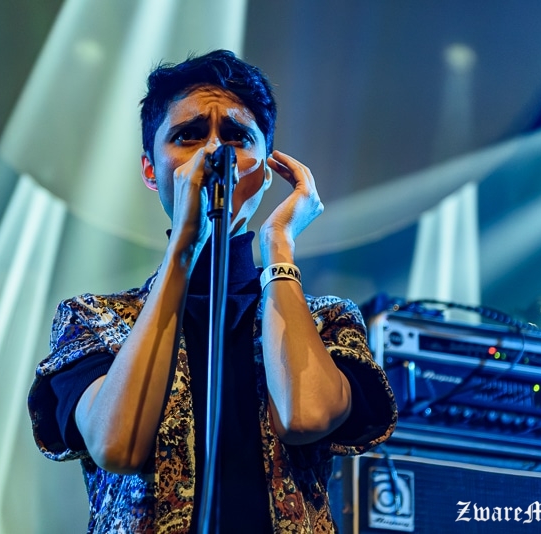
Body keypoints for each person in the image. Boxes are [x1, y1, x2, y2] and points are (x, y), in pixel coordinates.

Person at [28, 49, 397, 533]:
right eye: (189, 135)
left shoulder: (328, 320)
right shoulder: (95, 318)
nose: (214, 153)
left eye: (237, 137)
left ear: (266, 170)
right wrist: (185, 245)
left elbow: (305, 417)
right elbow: (119, 446)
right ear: (150, 170)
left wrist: (279, 246)